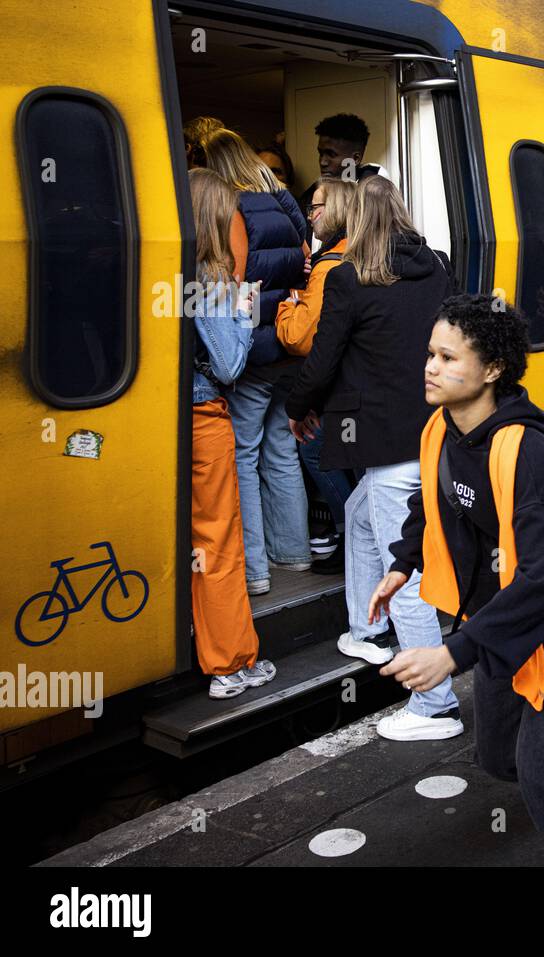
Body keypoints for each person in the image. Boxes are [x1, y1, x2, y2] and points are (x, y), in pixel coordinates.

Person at [371, 293, 544, 867]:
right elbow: (434, 505)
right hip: (498, 613)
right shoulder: (442, 427)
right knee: (497, 758)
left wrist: (451, 654)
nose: (431, 368)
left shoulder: (525, 451)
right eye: (430, 354)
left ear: (491, 371)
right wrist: (400, 564)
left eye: (447, 357)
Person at [285, 176, 460, 742]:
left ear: (355, 220)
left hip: (386, 447)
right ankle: (366, 627)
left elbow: (324, 358)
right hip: (434, 433)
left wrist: (297, 405)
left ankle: (436, 704)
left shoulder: (348, 278)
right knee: (360, 516)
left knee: (403, 575)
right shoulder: (436, 265)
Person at [204, 128, 313, 596]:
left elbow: (234, 280)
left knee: (243, 454)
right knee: (282, 449)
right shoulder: (284, 200)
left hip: (255, 350)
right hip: (290, 342)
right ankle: (295, 552)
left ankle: (256, 570)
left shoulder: (228, 207)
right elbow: (306, 261)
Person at [187, 167, 277, 699]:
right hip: (205, 417)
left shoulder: (167, 270)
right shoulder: (210, 276)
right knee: (219, 542)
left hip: (172, 418)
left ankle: (219, 650)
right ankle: (230, 664)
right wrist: (245, 312)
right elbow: (227, 365)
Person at [276, 177, 358, 572]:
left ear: (337, 209)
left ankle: (351, 533)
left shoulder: (327, 267)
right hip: (360, 386)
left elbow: (300, 339)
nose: (311, 214)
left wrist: (288, 304)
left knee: (311, 445)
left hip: (338, 390)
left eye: (317, 206)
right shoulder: (359, 252)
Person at [297, 113, 386, 219]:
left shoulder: (373, 186)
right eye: (321, 153)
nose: (322, 162)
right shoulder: (310, 197)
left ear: (355, 159)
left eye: (331, 154)